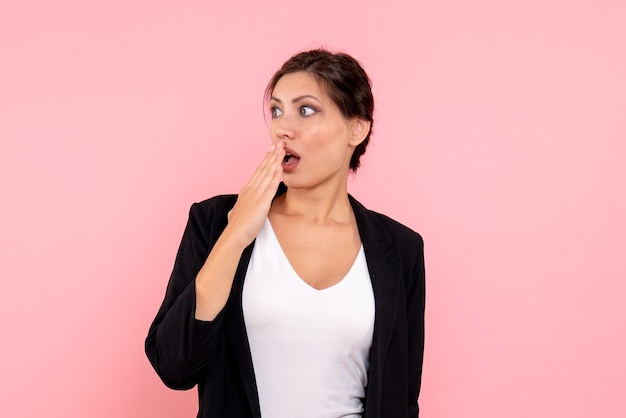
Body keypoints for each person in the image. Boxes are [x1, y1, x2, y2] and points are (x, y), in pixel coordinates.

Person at [145, 48, 425, 417]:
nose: (282, 127)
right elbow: (174, 366)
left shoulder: (401, 250)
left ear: (357, 127)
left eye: (305, 110)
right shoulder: (215, 221)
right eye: (276, 110)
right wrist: (235, 235)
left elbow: (401, 401)